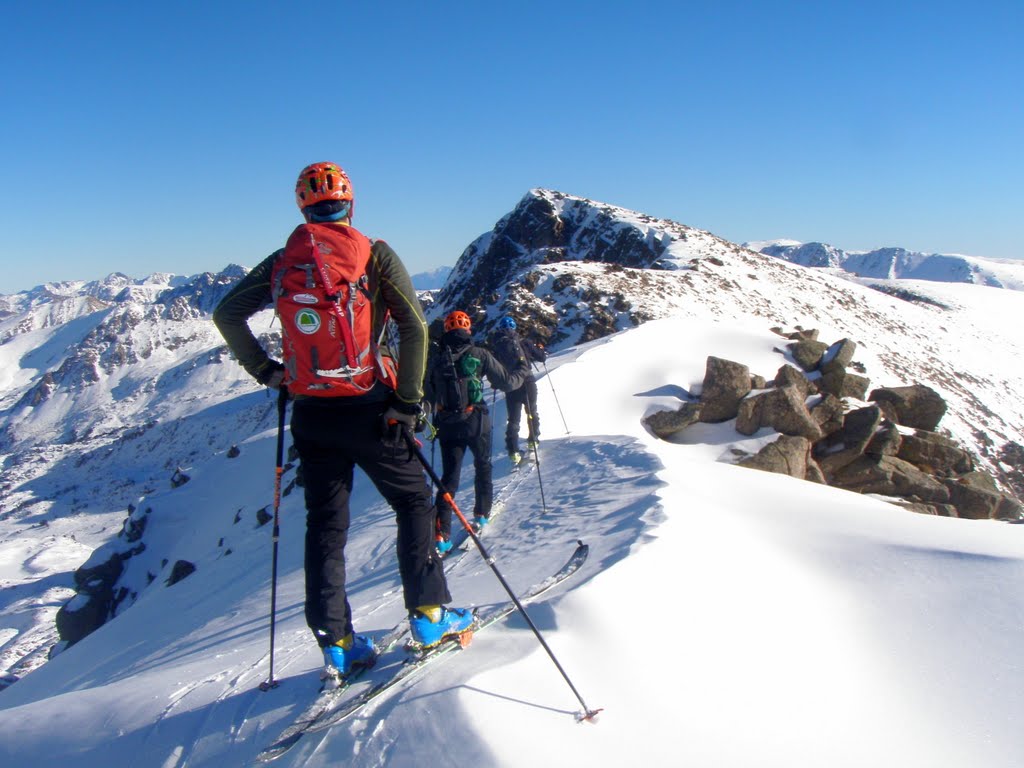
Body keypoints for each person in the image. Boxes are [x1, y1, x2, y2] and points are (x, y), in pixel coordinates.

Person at [213, 162, 471, 679]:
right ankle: (428, 615)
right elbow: (415, 327)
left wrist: (269, 372)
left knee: (325, 527)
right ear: (350, 204)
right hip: (370, 406)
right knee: (414, 503)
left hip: (310, 411)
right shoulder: (373, 253)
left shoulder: (283, 261)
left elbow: (226, 314)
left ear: (302, 208)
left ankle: (337, 642)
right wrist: (406, 400)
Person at [424, 311, 528, 553]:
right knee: (483, 466)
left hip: (447, 425)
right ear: (468, 330)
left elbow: (426, 395)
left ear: (446, 332)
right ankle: (481, 514)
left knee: (449, 479)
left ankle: (442, 534)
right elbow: (506, 382)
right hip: (476, 422)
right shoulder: (479, 354)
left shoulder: (437, 359)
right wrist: (522, 371)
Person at [490, 316, 547, 464]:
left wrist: (496, 382)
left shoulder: (497, 347)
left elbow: (494, 368)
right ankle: (533, 440)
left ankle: (513, 451)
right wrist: (540, 348)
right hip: (528, 381)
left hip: (511, 385)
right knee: (531, 411)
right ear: (514, 328)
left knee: (513, 419)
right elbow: (541, 358)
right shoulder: (524, 343)